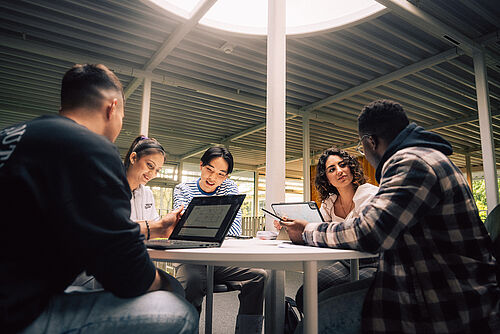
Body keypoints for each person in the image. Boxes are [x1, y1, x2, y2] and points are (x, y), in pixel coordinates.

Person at [0, 64, 198, 334]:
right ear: (112, 107)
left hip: (16, 290)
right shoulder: (89, 146)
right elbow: (126, 272)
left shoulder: (15, 136)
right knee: (178, 306)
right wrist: (165, 284)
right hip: (15, 315)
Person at [282, 100, 500, 333]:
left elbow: (370, 232)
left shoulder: (412, 163)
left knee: (314, 321)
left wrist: (307, 230)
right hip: (428, 281)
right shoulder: (424, 157)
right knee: (314, 296)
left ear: (371, 142)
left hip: (447, 299)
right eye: (331, 169)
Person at [174, 146, 268, 334]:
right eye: (209, 169)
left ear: (226, 176)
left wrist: (201, 224)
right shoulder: (183, 189)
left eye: (221, 174)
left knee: (259, 275)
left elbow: (234, 229)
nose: (213, 178)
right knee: (192, 282)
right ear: (201, 166)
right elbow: (182, 230)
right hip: (192, 260)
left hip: (220, 261)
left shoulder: (229, 187)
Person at [280, 147, 378, 312]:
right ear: (327, 178)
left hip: (372, 261)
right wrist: (290, 226)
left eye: (343, 165)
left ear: (351, 167)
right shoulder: (330, 203)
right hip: (346, 263)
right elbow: (316, 229)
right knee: (305, 294)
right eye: (332, 169)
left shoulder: (369, 194)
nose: (339, 171)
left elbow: (361, 234)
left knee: (349, 299)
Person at [124, 135, 183, 240]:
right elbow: (114, 228)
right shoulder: (111, 188)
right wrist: (159, 226)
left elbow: (154, 226)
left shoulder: (147, 193)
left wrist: (166, 225)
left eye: (157, 170)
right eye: (150, 165)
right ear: (133, 158)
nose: (152, 174)